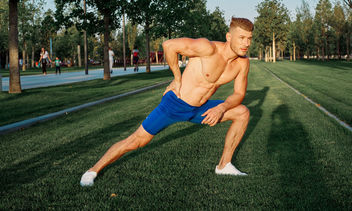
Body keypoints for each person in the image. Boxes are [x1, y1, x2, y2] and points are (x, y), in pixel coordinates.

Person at [80, 17, 253, 186]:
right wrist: (177, 78)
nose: (246, 43)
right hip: (175, 104)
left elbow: (239, 93)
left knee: (242, 112)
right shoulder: (207, 48)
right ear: (229, 37)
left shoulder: (242, 63)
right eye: (242, 38)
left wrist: (221, 107)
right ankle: (92, 170)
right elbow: (169, 45)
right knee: (136, 141)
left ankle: (224, 165)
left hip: (199, 108)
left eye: (249, 39)